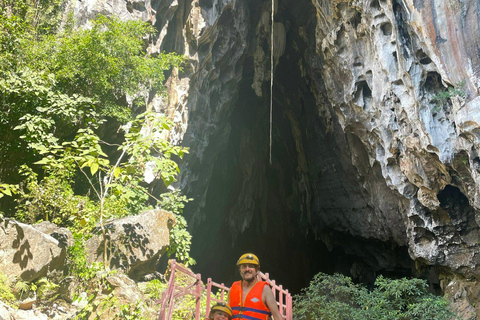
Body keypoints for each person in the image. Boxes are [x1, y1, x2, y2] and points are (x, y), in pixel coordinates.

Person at [228, 253, 284, 320]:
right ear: (240, 270)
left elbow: (277, 317)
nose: (247, 269)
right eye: (244, 267)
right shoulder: (232, 289)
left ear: (257, 270)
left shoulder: (265, 290)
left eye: (251, 266)